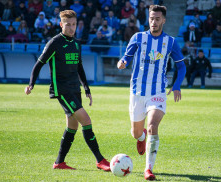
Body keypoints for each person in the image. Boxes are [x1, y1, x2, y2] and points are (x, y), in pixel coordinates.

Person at [24, 10, 110, 171]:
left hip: (74, 89)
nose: (71, 28)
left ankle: (59, 162)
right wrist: (31, 84)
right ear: (61, 24)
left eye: (74, 24)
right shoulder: (55, 43)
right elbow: (39, 64)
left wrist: (86, 88)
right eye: (68, 24)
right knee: (86, 120)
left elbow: (79, 67)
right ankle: (100, 160)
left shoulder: (76, 43)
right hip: (62, 90)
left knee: (73, 126)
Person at [117, 5, 186, 180]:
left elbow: (181, 66)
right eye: (151, 18)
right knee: (135, 132)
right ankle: (141, 138)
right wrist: (122, 62)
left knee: (153, 126)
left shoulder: (170, 42)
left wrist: (177, 85)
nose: (153, 22)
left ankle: (148, 169)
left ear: (163, 20)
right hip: (137, 92)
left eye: (157, 19)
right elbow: (127, 56)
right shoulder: (138, 37)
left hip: (158, 92)